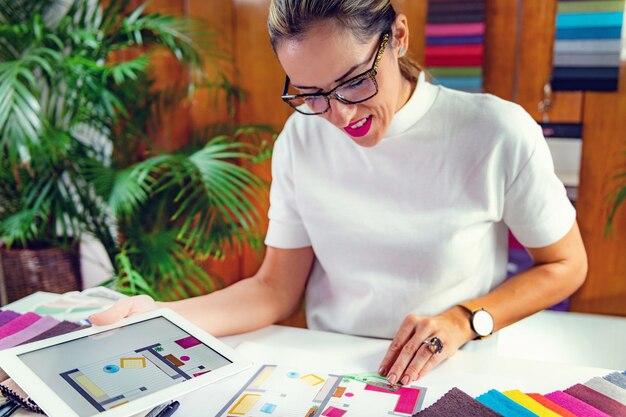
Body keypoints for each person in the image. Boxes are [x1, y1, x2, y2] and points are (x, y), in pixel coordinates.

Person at [91, 0, 587, 387]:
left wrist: (465, 320)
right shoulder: (301, 139)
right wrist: (161, 316)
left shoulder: (494, 131)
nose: (340, 115)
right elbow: (274, 290)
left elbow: (566, 265)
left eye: (353, 83)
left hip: (455, 371)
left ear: (397, 37)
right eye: (310, 93)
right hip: (326, 372)